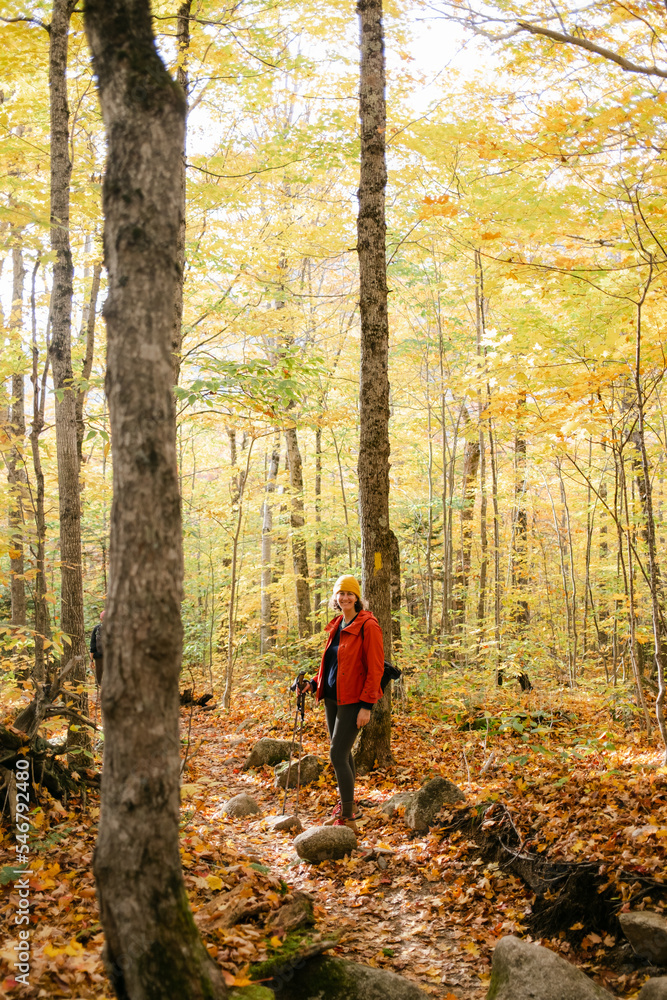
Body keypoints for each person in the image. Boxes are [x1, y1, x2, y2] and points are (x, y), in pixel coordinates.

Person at [298, 575, 384, 828]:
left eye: (350, 593)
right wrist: (313, 683)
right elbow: (333, 665)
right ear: (335, 598)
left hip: (353, 701)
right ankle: (348, 802)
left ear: (357, 597)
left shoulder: (368, 625)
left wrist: (367, 706)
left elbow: (376, 669)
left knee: (337, 754)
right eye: (340, 594)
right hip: (332, 698)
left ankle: (348, 815)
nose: (345, 597)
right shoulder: (338, 624)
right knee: (344, 754)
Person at [90, 610, 105, 685]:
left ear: (101, 619)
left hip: (99, 656)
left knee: (99, 677)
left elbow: (92, 645)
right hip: (112, 656)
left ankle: (98, 692)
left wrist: (91, 660)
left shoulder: (97, 628)